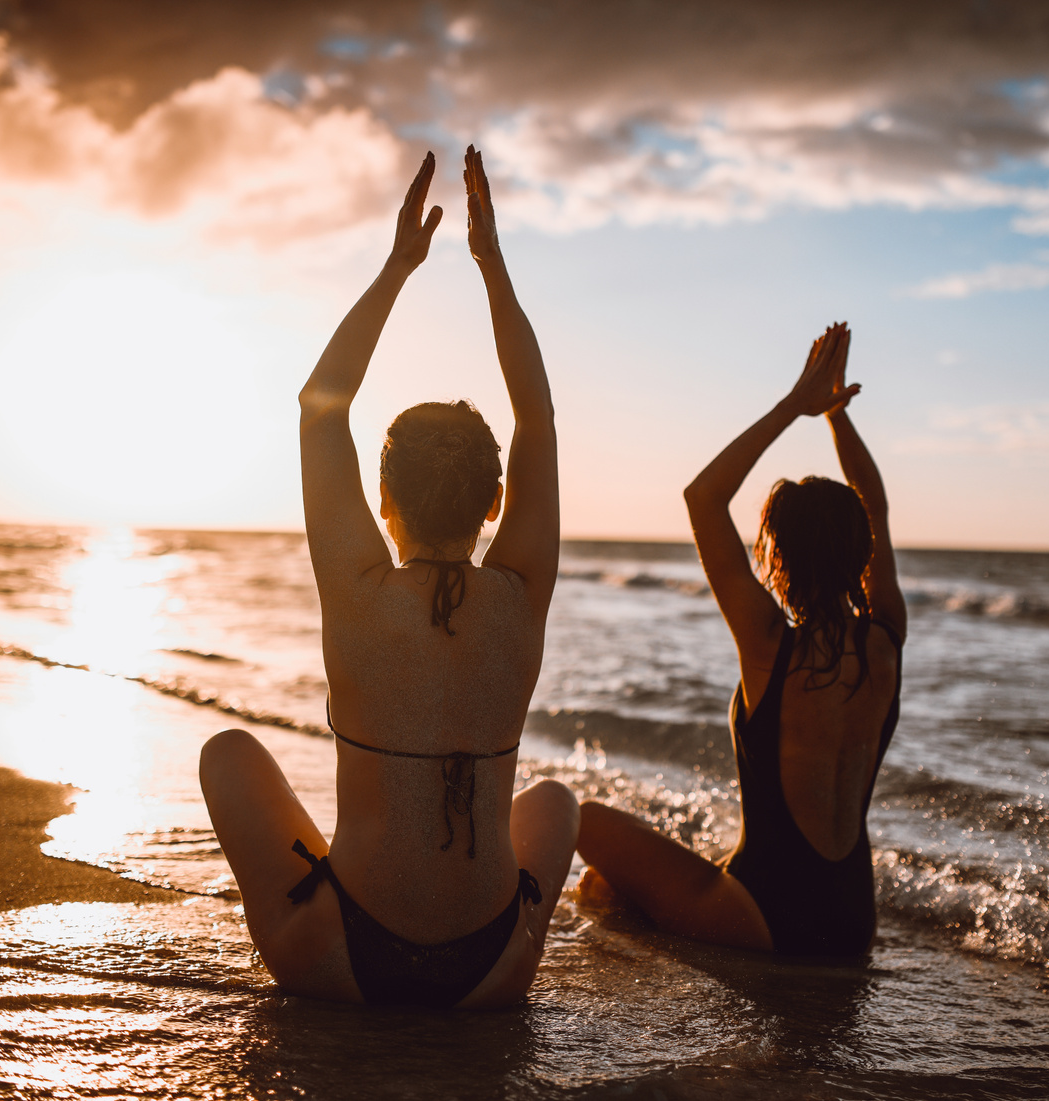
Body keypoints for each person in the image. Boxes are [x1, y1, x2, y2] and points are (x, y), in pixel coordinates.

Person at [199, 147, 578, 1009]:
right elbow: (538, 417)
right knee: (553, 802)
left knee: (227, 752)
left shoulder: (358, 587)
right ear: (496, 502)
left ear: (383, 500)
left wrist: (400, 264)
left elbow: (319, 403)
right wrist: (489, 261)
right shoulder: (520, 592)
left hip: (343, 959)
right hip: (491, 972)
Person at [577, 323, 905, 956]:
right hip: (852, 921)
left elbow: (703, 497)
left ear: (776, 556)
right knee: (628, 881)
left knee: (586, 827)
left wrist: (796, 405)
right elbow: (878, 506)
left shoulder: (768, 644)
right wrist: (836, 417)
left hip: (767, 918)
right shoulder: (887, 638)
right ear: (860, 549)